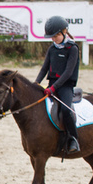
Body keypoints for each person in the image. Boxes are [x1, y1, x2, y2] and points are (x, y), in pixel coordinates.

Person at [35, 15, 80, 153]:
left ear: (64, 32)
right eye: (52, 37)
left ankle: (73, 138)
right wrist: (36, 83)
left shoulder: (72, 49)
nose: (53, 39)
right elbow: (44, 68)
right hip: (52, 84)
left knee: (65, 110)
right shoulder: (52, 49)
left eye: (56, 36)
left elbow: (68, 72)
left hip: (65, 86)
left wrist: (54, 88)